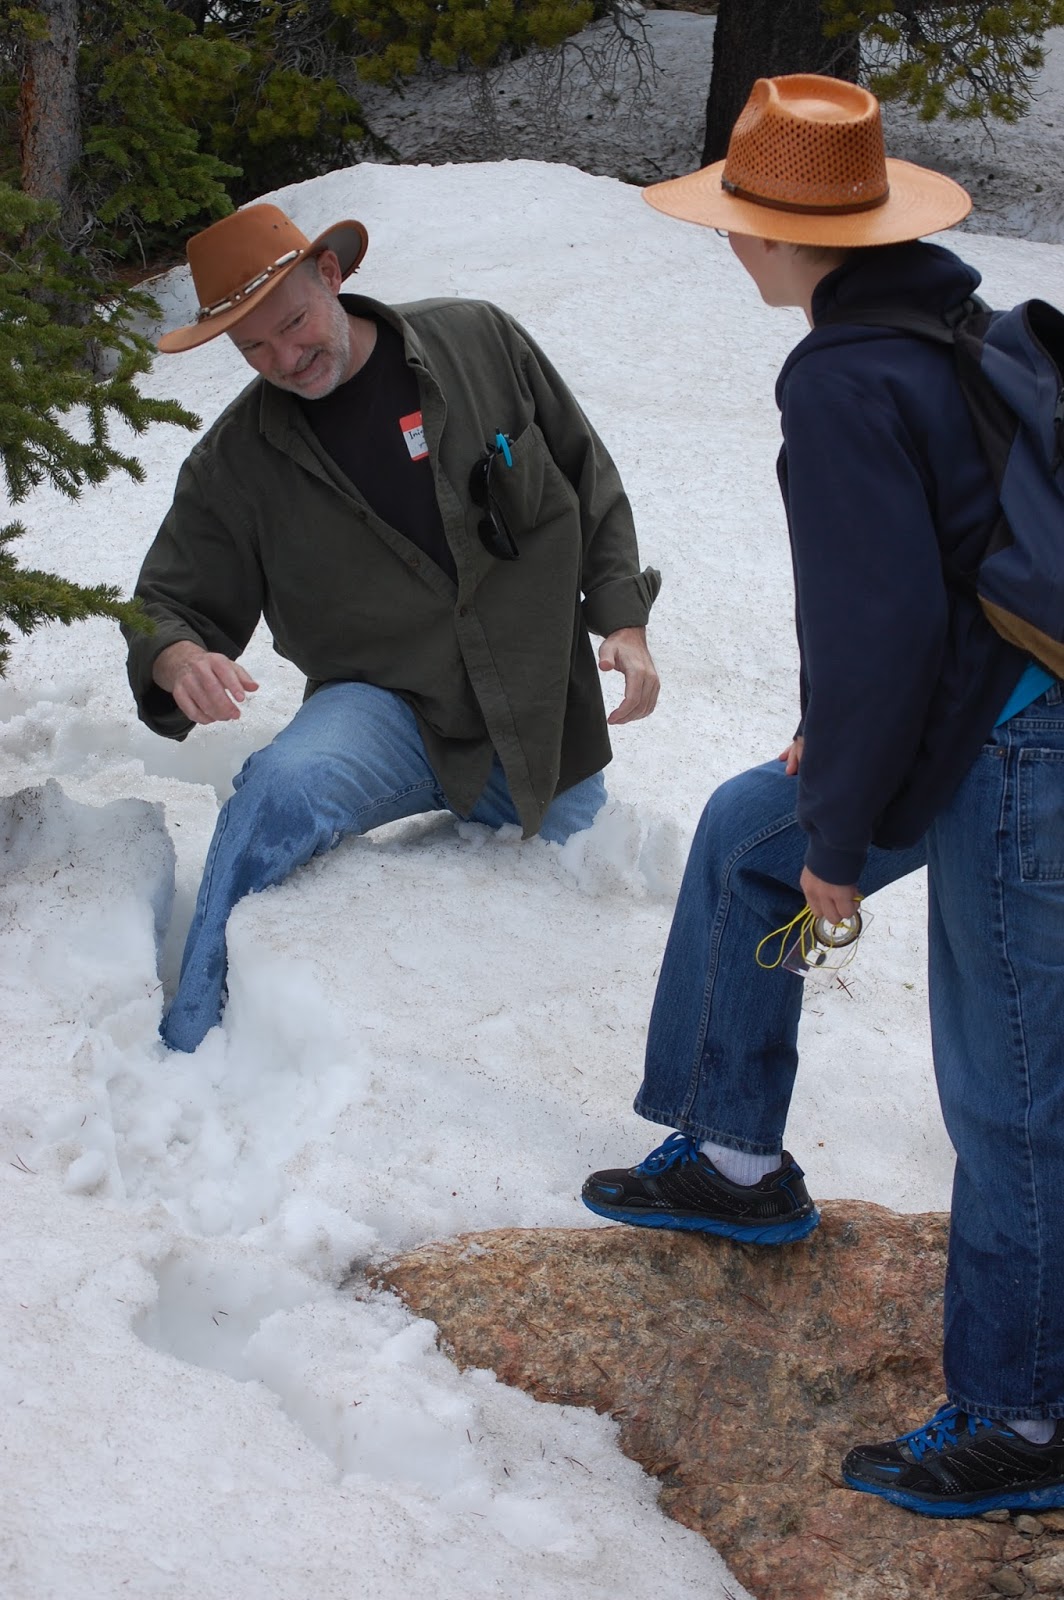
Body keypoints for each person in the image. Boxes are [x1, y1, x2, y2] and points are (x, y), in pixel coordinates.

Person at [581, 76, 1064, 1517]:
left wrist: (843, 838)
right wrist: (827, 755)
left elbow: (877, 626)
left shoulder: (846, 378)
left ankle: (1024, 1419)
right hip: (980, 705)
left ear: (778, 236)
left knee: (1013, 1091)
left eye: (736, 221)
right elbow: (932, 570)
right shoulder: (948, 319)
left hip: (1015, 747)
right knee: (749, 835)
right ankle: (736, 1155)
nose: (730, 243)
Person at [128, 203, 661, 1054]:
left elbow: (584, 471)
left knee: (577, 923)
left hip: (537, 717)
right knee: (275, 792)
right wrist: (178, 657)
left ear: (330, 275)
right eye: (253, 348)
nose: (284, 360)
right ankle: (194, 1035)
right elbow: (163, 602)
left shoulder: (479, 341)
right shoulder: (235, 463)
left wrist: (623, 620)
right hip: (385, 710)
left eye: (293, 325)